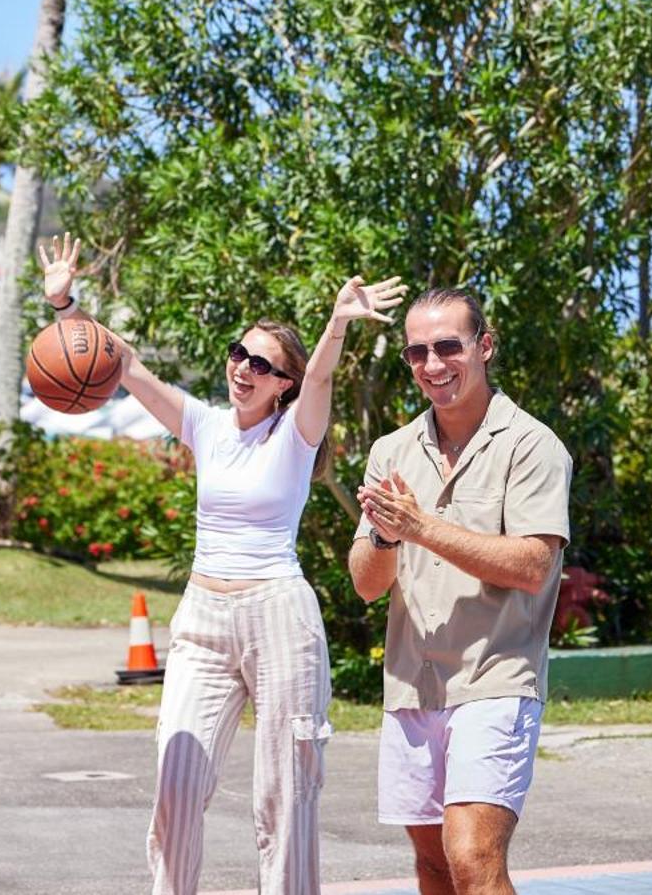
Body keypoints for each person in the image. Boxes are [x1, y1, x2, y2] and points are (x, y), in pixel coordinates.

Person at [37, 233, 403, 895]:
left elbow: (321, 373)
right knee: (177, 784)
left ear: (283, 384)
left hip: (278, 613)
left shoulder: (295, 433)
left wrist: (338, 322)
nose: (244, 367)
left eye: (261, 364)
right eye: (239, 353)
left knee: (285, 794)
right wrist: (65, 303)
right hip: (203, 616)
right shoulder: (203, 422)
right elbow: (118, 365)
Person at [349, 287, 572, 895]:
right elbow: (367, 586)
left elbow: (531, 565)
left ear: (485, 346)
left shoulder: (532, 445)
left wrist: (421, 527)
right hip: (411, 684)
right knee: (434, 867)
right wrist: (390, 539)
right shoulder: (390, 451)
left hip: (496, 679)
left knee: (472, 855)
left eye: (449, 346)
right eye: (417, 353)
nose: (434, 364)